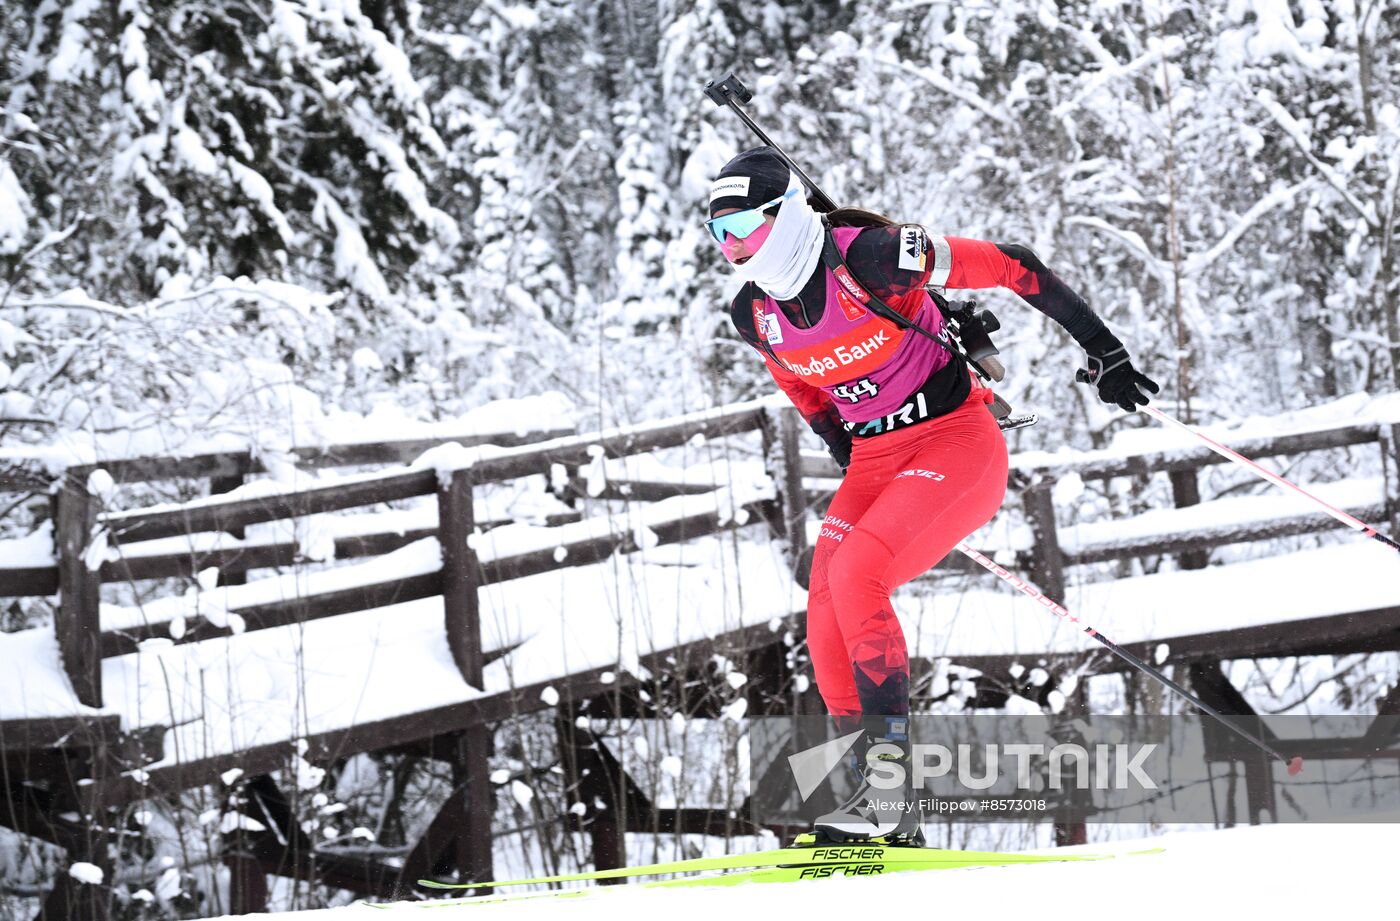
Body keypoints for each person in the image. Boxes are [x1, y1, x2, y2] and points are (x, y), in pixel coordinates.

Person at [706, 147, 1158, 844]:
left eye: (743, 225)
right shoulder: (753, 311)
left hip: (955, 443)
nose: (732, 246)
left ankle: (890, 793)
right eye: (719, 232)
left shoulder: (873, 257)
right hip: (875, 460)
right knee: (824, 606)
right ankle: (872, 806)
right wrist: (841, 444)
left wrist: (1106, 350)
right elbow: (798, 382)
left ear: (785, 214)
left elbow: (1013, 264)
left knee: (858, 575)